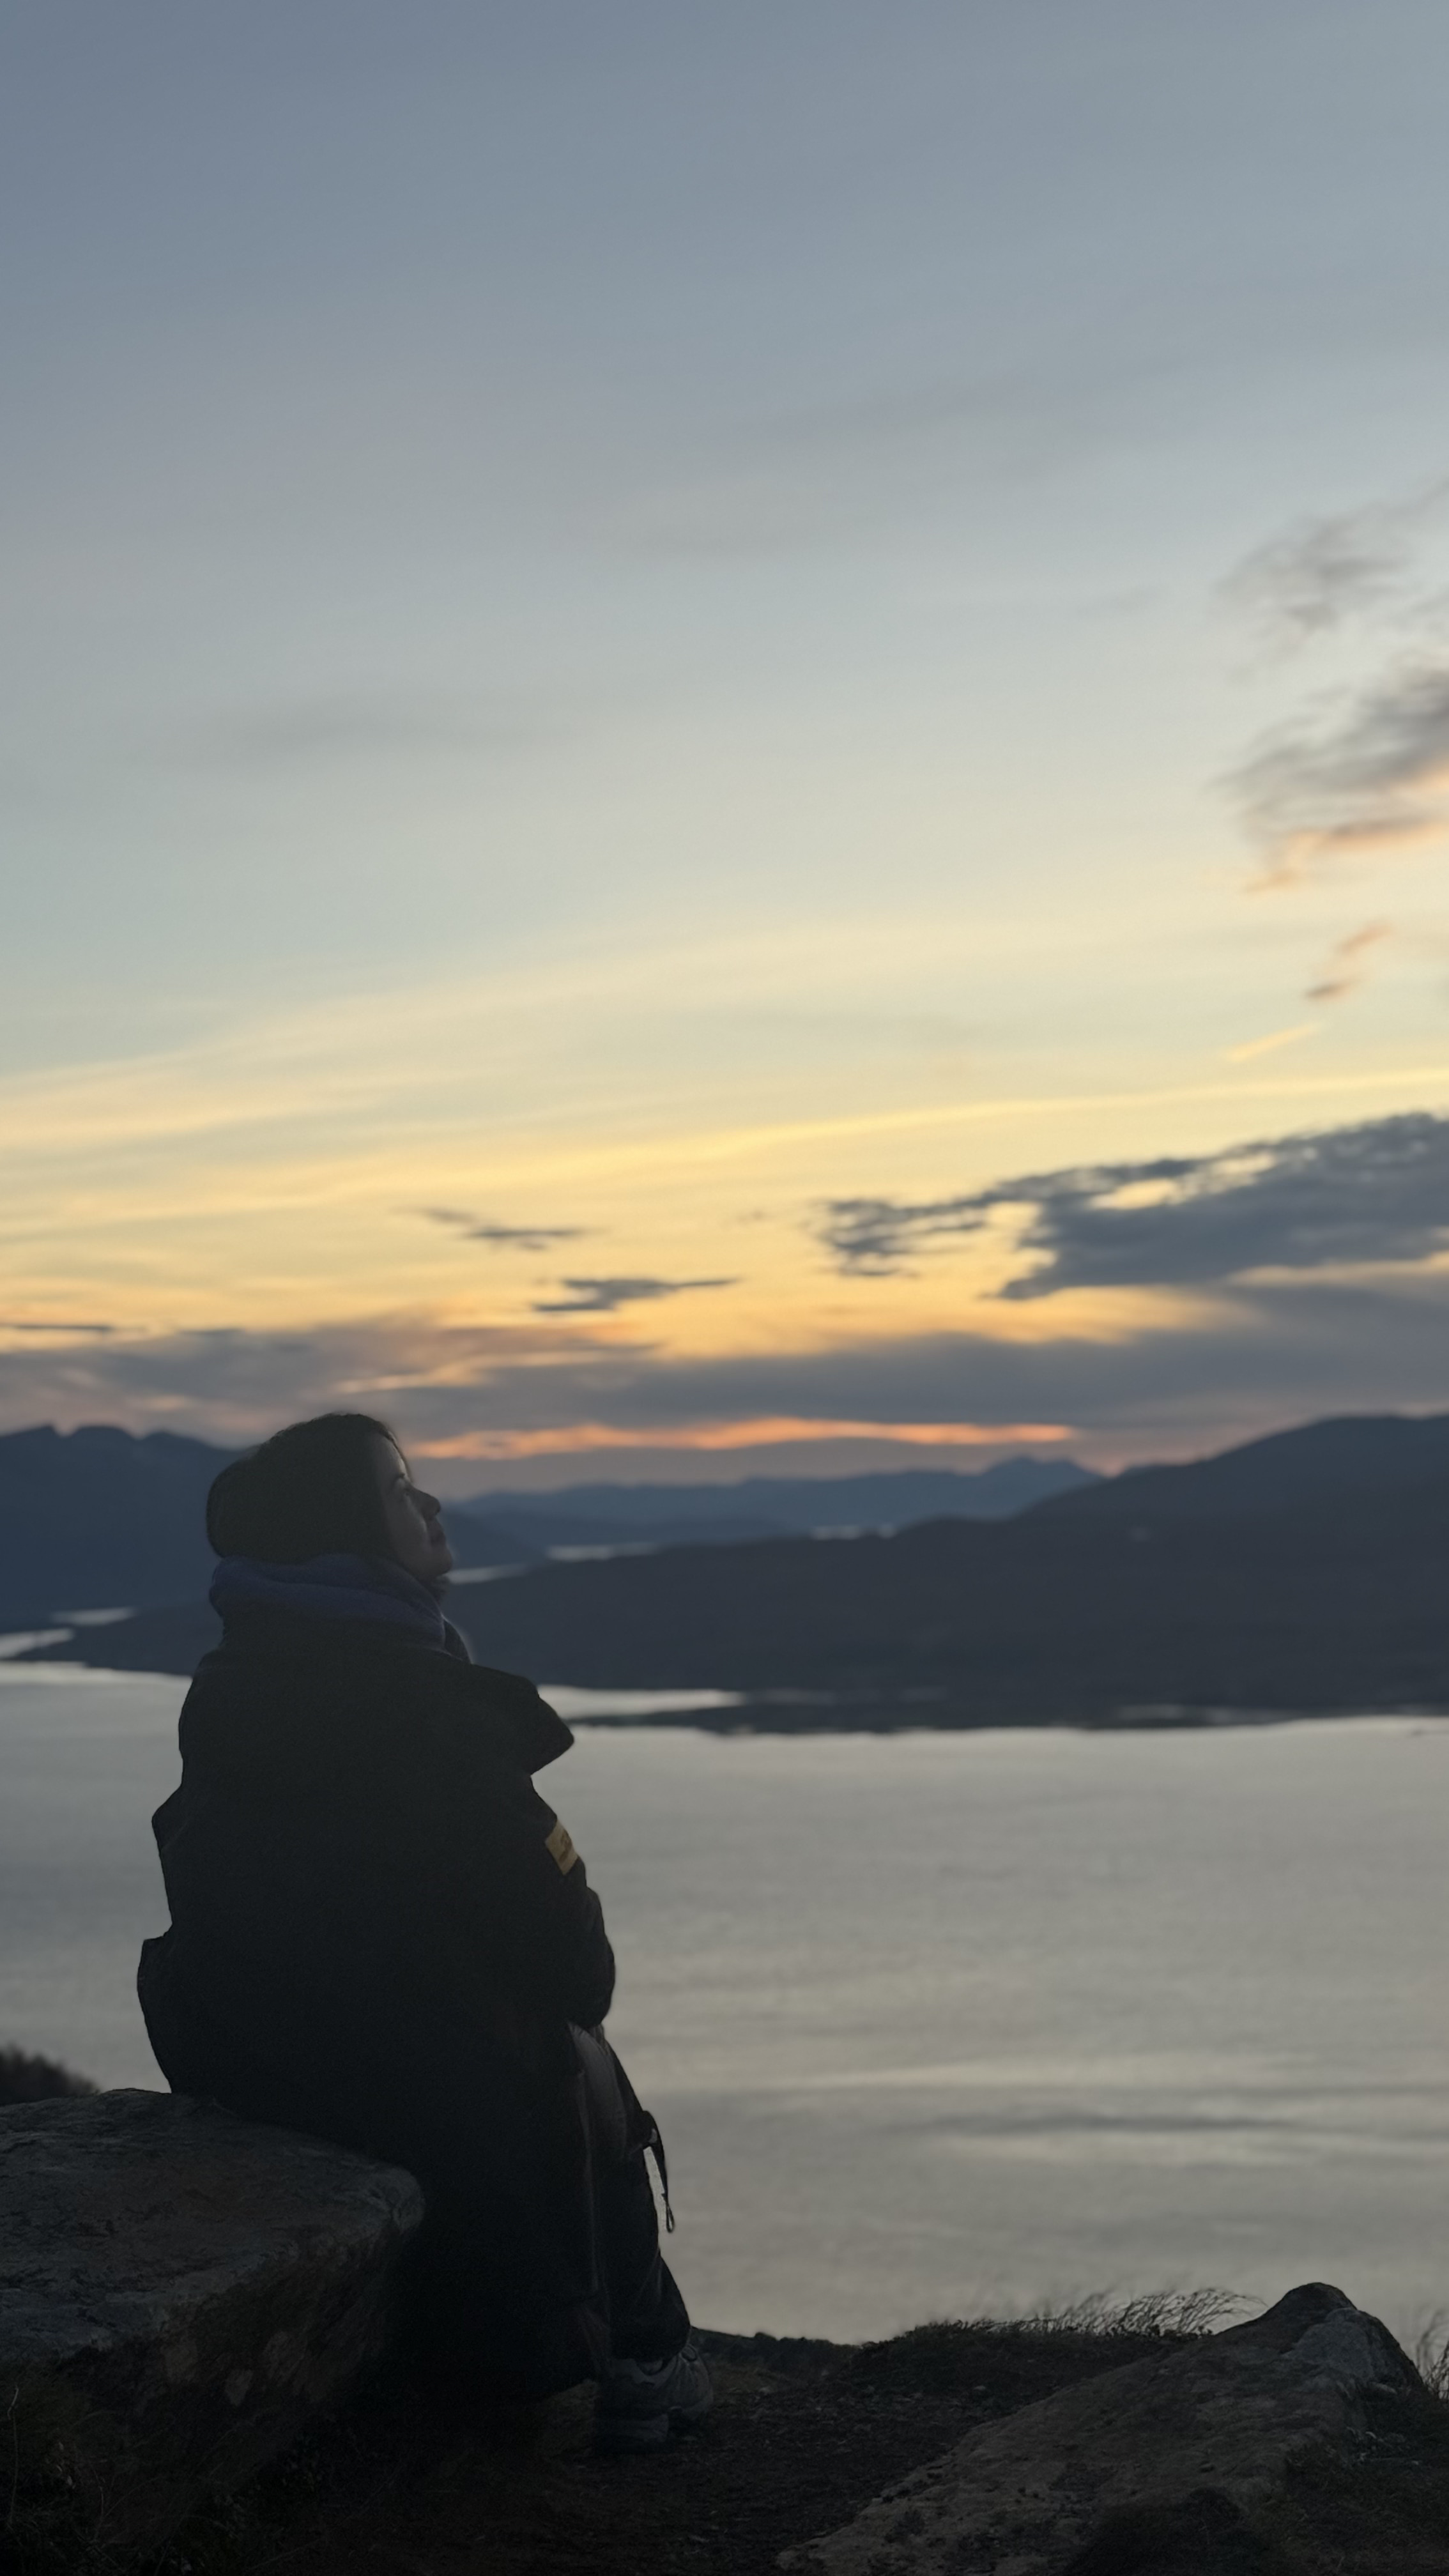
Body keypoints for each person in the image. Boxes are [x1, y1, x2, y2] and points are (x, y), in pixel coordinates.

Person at [137, 1410, 710, 2451]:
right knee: (581, 2057)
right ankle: (648, 2359)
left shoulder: (227, 1689)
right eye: (402, 1490)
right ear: (350, 1535)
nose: (433, 1504)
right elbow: (574, 1968)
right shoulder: (433, 1713)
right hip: (419, 2095)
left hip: (250, 2065)